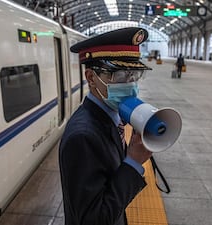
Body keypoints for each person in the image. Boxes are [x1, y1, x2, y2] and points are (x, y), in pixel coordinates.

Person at [59, 27, 153, 225]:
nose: (131, 84)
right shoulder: (83, 137)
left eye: (134, 75)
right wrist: (133, 163)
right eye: (120, 75)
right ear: (91, 77)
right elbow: (93, 219)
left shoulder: (112, 118)